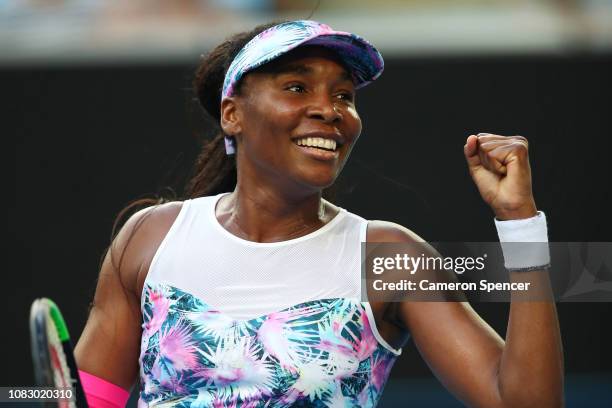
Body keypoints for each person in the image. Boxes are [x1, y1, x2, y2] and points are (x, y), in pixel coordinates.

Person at [74, 20, 564, 407]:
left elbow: (528, 404)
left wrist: (520, 224)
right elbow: (82, 400)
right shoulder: (150, 237)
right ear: (233, 114)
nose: (329, 110)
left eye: (344, 96)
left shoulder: (391, 258)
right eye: (296, 88)